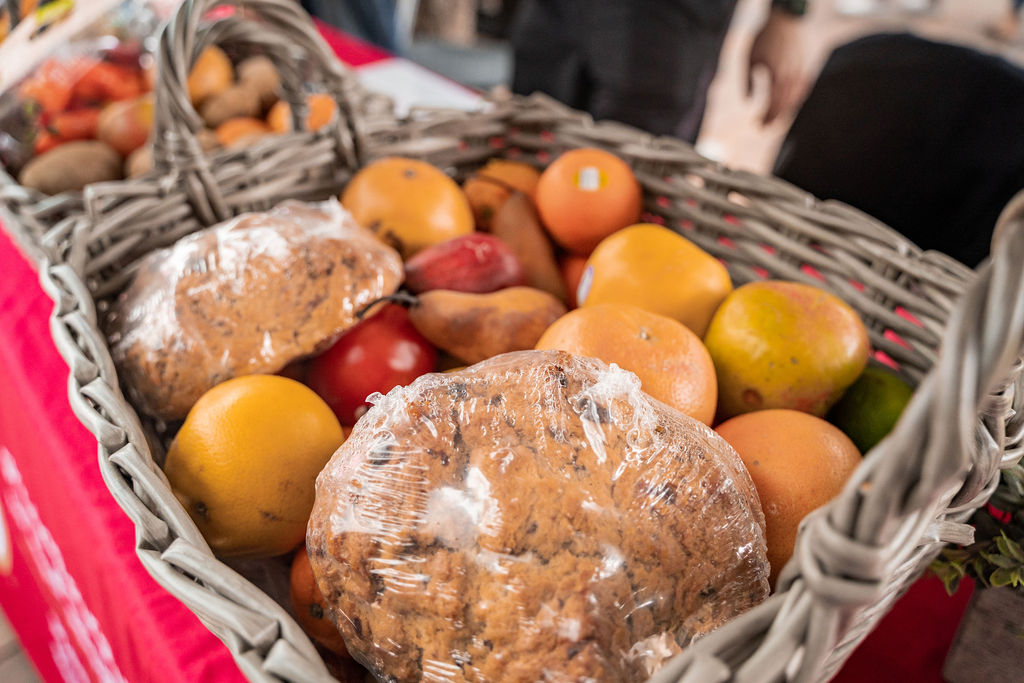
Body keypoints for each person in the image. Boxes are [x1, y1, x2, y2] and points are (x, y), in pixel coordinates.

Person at [509, 0, 809, 142]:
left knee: (636, 167)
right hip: (556, 13)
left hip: (666, 19)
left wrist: (787, 12)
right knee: (529, 135)